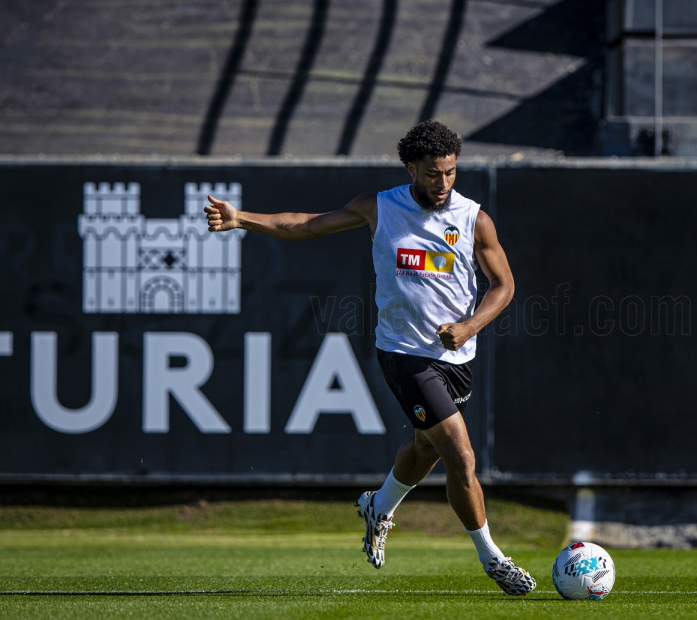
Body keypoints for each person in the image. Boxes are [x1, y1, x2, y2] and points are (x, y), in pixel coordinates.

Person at [205, 120, 536, 596]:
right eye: (431, 174)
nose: (442, 184)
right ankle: (493, 559)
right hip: (404, 354)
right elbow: (307, 225)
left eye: (450, 173)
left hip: (457, 357)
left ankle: (379, 505)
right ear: (411, 168)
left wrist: (468, 327)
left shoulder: (473, 219)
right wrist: (242, 220)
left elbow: (504, 286)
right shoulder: (379, 206)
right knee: (460, 456)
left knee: (426, 448)